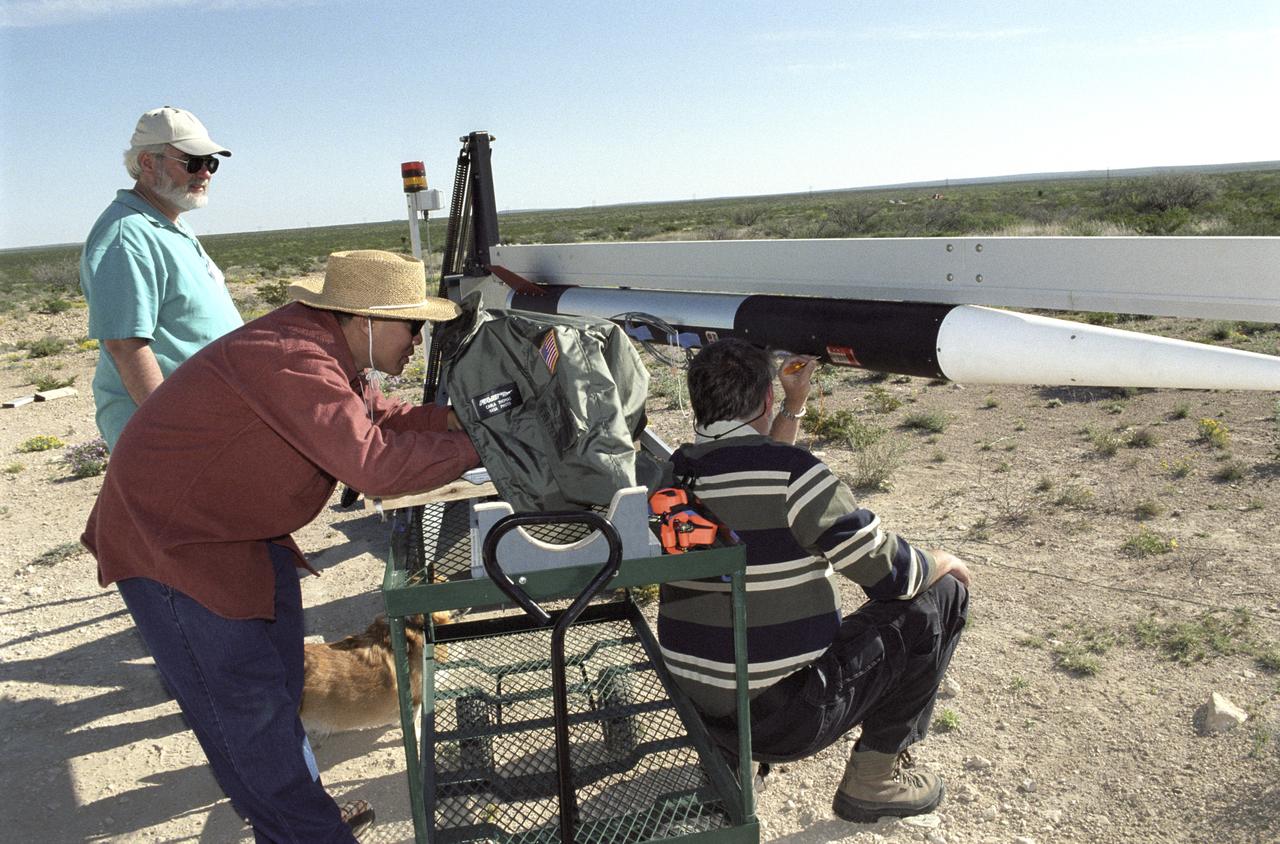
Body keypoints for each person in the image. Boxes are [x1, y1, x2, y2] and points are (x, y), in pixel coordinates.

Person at [81, 249, 482, 842]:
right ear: (365, 320)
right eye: (413, 325)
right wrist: (486, 449)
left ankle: (298, 814)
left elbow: (381, 418)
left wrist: (459, 422)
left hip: (231, 531)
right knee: (249, 712)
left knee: (280, 686)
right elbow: (372, 463)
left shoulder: (324, 348)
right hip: (173, 547)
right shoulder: (293, 358)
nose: (419, 340)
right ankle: (305, 828)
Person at [657, 338, 971, 822]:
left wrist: (794, 405)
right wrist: (944, 562)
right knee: (941, 594)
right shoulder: (793, 476)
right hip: (782, 718)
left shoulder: (675, 474)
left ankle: (728, 768)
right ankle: (876, 780)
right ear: (764, 399)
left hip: (703, 706)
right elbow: (891, 575)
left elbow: (751, 464)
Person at [80, 106, 243, 449]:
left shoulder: (169, 224)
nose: (205, 173)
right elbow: (126, 345)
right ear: (148, 163)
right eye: (192, 162)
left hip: (203, 422)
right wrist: (174, 430)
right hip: (170, 435)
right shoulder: (126, 236)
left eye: (211, 163)